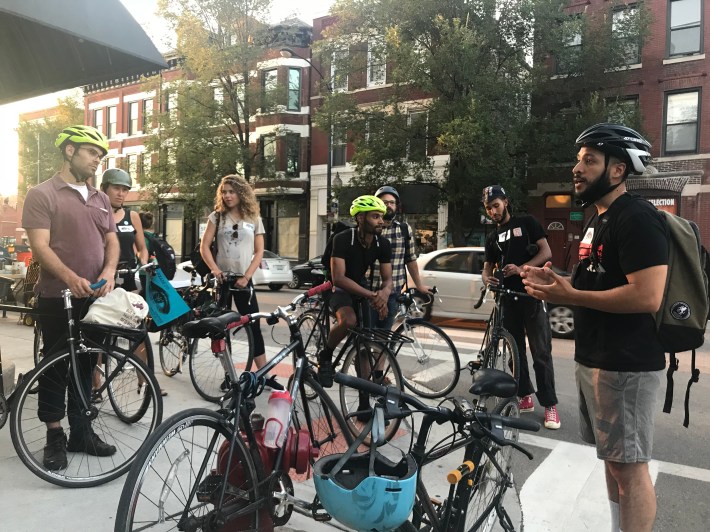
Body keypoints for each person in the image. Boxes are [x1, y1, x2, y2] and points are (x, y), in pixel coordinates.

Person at [521, 124, 668, 532]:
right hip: (598, 359)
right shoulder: (597, 219)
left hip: (627, 365)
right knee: (613, 461)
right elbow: (595, 281)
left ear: (618, 170)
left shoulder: (637, 217)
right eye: (578, 159)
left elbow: (648, 295)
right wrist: (558, 285)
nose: (577, 168)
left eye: (590, 160)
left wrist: (573, 298)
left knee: (629, 468)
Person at [22, 124, 119, 471]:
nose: (97, 160)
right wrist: (70, 277)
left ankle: (82, 431)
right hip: (56, 296)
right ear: (69, 151)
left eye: (100, 155)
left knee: (86, 364)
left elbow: (111, 240)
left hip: (95, 297)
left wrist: (108, 272)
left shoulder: (101, 198)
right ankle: (54, 436)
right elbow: (40, 246)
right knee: (55, 367)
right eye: (92, 152)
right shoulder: (42, 193)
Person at [481, 185, 561, 430]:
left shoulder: (527, 222)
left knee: (541, 352)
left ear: (505, 201)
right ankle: (524, 394)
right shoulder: (492, 237)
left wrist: (520, 268)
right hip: (506, 298)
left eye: (496, 205)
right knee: (514, 351)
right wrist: (487, 278)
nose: (493, 211)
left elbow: (547, 252)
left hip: (531, 294)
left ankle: (549, 406)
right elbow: (487, 267)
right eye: (488, 208)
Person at [199, 174, 283, 390]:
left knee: (253, 325)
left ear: (241, 193)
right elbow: (204, 246)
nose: (227, 196)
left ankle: (263, 375)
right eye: (224, 192)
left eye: (231, 191)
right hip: (223, 280)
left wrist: (247, 276)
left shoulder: (253, 218)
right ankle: (229, 376)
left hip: (244, 280)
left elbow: (259, 251)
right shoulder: (216, 217)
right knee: (222, 329)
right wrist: (215, 270)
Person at [99, 170, 167, 397]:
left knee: (136, 331)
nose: (121, 193)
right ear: (105, 188)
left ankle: (145, 382)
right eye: (117, 188)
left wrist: (143, 263)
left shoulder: (132, 216)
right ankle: (95, 384)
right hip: (103, 278)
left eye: (125, 189)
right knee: (99, 332)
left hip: (128, 277)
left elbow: (142, 247)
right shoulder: (97, 213)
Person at [317, 195, 393, 389]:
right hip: (335, 286)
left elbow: (388, 279)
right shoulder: (342, 239)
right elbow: (339, 277)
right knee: (349, 321)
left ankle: (364, 397)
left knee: (365, 339)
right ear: (360, 218)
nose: (381, 221)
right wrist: (371, 295)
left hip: (359, 284)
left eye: (381, 217)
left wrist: (383, 295)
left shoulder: (382, 244)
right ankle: (325, 356)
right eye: (375, 216)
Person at [371, 185, 430, 329]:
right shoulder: (370, 228)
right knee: (366, 336)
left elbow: (410, 259)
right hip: (369, 291)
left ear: (397, 206)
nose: (389, 205)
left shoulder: (403, 229)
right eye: (385, 202)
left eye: (392, 203)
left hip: (392, 292)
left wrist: (419, 285)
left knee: (385, 337)